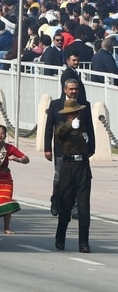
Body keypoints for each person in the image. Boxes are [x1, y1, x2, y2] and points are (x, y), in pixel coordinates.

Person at [46, 76, 95, 252]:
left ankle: (84, 243)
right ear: (67, 115)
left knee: (83, 207)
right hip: (67, 167)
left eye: (77, 113)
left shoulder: (81, 126)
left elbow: (89, 134)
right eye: (72, 113)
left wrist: (90, 148)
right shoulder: (63, 127)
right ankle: (60, 237)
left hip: (82, 167)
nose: (76, 115)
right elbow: (58, 135)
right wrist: (69, 125)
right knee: (66, 205)